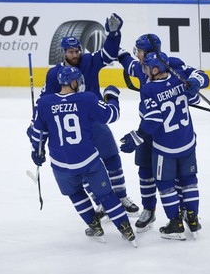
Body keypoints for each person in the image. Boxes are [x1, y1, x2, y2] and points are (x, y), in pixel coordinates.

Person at [28, 13, 139, 216]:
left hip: (95, 119)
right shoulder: (54, 74)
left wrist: (113, 34)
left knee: (111, 156)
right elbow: (44, 102)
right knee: (86, 164)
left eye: (77, 50)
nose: (75, 54)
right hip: (74, 125)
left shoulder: (89, 61)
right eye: (70, 51)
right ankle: (101, 201)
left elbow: (108, 53)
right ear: (64, 53)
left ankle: (121, 196)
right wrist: (35, 125)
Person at [29, 66, 137, 247]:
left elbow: (37, 133)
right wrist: (112, 97)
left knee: (75, 193)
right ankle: (125, 228)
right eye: (78, 81)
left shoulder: (45, 103)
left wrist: (37, 151)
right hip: (88, 160)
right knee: (106, 195)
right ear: (72, 82)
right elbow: (112, 115)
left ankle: (95, 226)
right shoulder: (86, 99)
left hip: (61, 164)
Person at [118, 34, 209, 233]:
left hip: (160, 129)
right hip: (150, 128)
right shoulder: (145, 66)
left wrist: (194, 82)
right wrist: (118, 50)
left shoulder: (173, 65)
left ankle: (182, 212)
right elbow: (129, 64)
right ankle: (149, 209)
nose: (138, 57)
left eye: (139, 52)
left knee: (173, 175)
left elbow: (200, 76)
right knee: (145, 170)